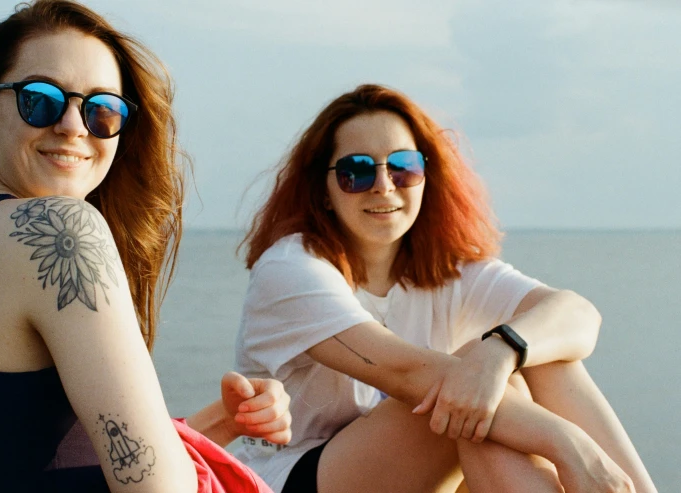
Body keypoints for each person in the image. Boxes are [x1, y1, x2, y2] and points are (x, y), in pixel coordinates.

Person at [0, 1, 290, 491]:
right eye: (39, 100)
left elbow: (28, 454)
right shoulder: (56, 225)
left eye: (102, 110)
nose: (72, 125)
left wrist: (224, 423)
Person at [234, 84, 657, 493]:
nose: (384, 184)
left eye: (403, 166)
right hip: (291, 478)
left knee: (534, 354)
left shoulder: (448, 272)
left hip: (408, 469)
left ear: (425, 175)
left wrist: (501, 348)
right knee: (475, 394)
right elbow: (409, 373)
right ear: (324, 192)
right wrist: (574, 448)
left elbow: (578, 316)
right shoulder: (291, 269)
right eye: (357, 171)